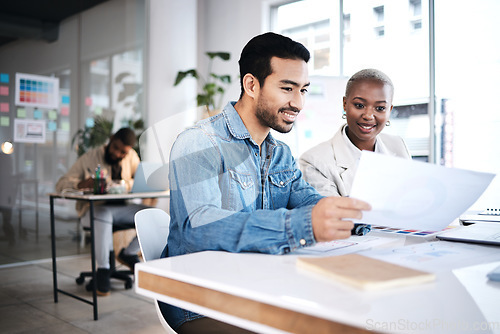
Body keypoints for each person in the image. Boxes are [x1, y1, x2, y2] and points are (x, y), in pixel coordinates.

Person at [160, 32, 371, 333]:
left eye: (303, 90)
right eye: (287, 88)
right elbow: (199, 229)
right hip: (200, 300)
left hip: (257, 285)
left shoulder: (280, 153)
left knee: (351, 312)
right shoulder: (198, 143)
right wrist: (300, 225)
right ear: (251, 85)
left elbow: (309, 201)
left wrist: (353, 213)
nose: (298, 103)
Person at [55, 127, 148, 296]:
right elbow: (61, 184)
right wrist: (81, 184)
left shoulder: (131, 156)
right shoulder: (89, 158)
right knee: (103, 214)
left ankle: (128, 253)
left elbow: (141, 178)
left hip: (121, 210)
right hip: (92, 212)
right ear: (111, 139)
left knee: (150, 215)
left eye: (123, 153)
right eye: (116, 148)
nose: (118, 154)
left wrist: (125, 184)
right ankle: (103, 270)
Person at [299, 68, 411, 197]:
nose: (368, 116)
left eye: (380, 108)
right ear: (345, 104)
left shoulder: (398, 145)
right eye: (359, 105)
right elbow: (332, 214)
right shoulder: (315, 161)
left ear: (389, 111)